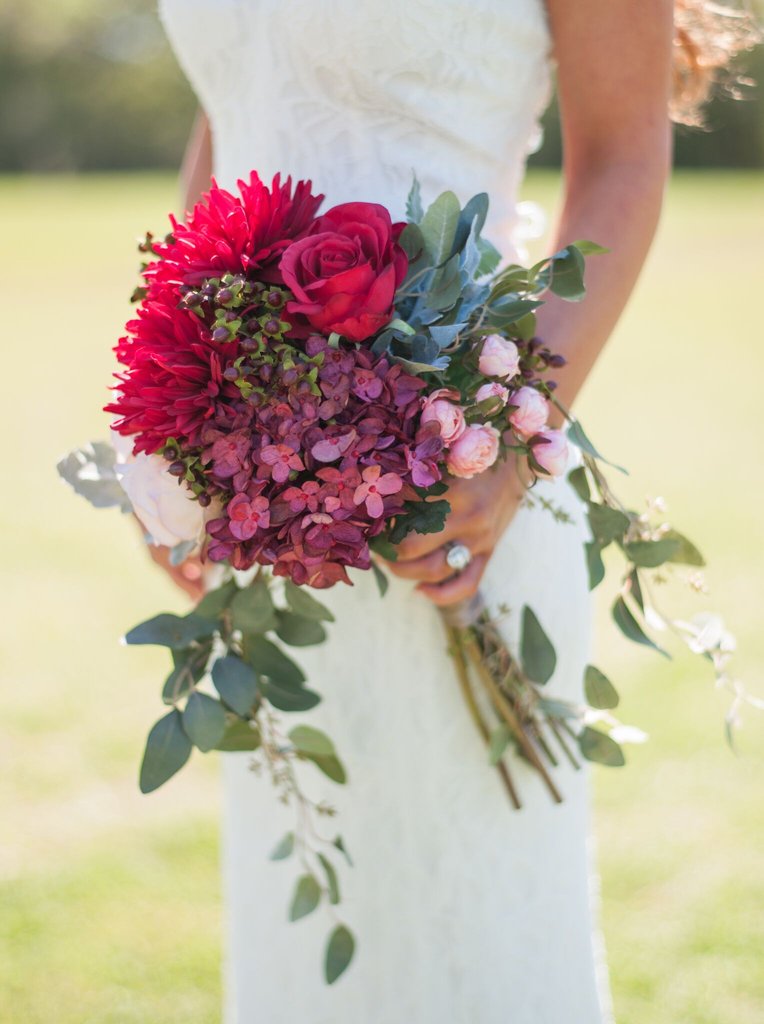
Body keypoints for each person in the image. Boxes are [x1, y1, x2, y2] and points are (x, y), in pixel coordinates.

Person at [149, 2, 758, 1021]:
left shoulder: (482, 462)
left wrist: (513, 440)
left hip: (457, 476)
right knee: (308, 928)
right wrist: (174, 420)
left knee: (472, 930)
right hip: (261, 512)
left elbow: (622, 154)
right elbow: (236, 120)